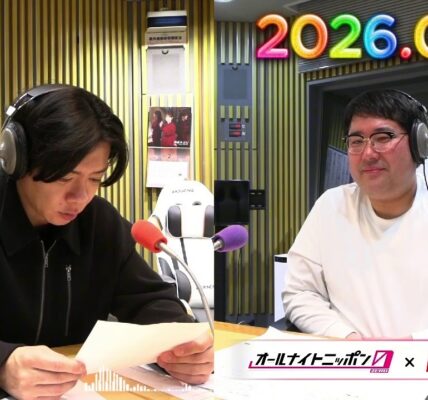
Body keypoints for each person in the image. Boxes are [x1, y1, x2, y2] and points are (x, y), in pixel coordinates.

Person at [0, 85, 213, 399]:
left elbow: (149, 300)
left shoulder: (100, 223)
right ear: (15, 159)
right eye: (65, 177)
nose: (80, 197)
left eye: (95, 178)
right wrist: (3, 365)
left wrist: (182, 345)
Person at [283, 89, 428, 340]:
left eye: (383, 137)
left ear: (419, 144)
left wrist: (412, 345)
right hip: (351, 358)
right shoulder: (331, 206)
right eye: (356, 141)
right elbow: (300, 292)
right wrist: (347, 338)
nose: (368, 154)